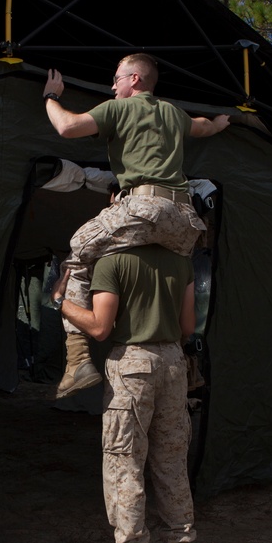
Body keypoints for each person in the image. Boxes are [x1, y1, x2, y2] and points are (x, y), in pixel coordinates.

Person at [43, 53, 229, 399]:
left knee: (78, 254)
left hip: (144, 207)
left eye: (117, 78)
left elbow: (67, 127)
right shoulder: (172, 112)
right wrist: (221, 123)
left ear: (135, 81)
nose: (112, 86)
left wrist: (51, 97)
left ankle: (78, 358)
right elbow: (202, 127)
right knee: (174, 272)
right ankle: (188, 362)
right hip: (183, 217)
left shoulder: (119, 108)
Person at [51, 243, 197, 543]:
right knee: (172, 461)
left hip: (132, 366)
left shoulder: (112, 261)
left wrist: (61, 302)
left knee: (124, 464)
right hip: (174, 364)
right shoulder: (181, 261)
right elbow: (188, 326)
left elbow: (100, 328)